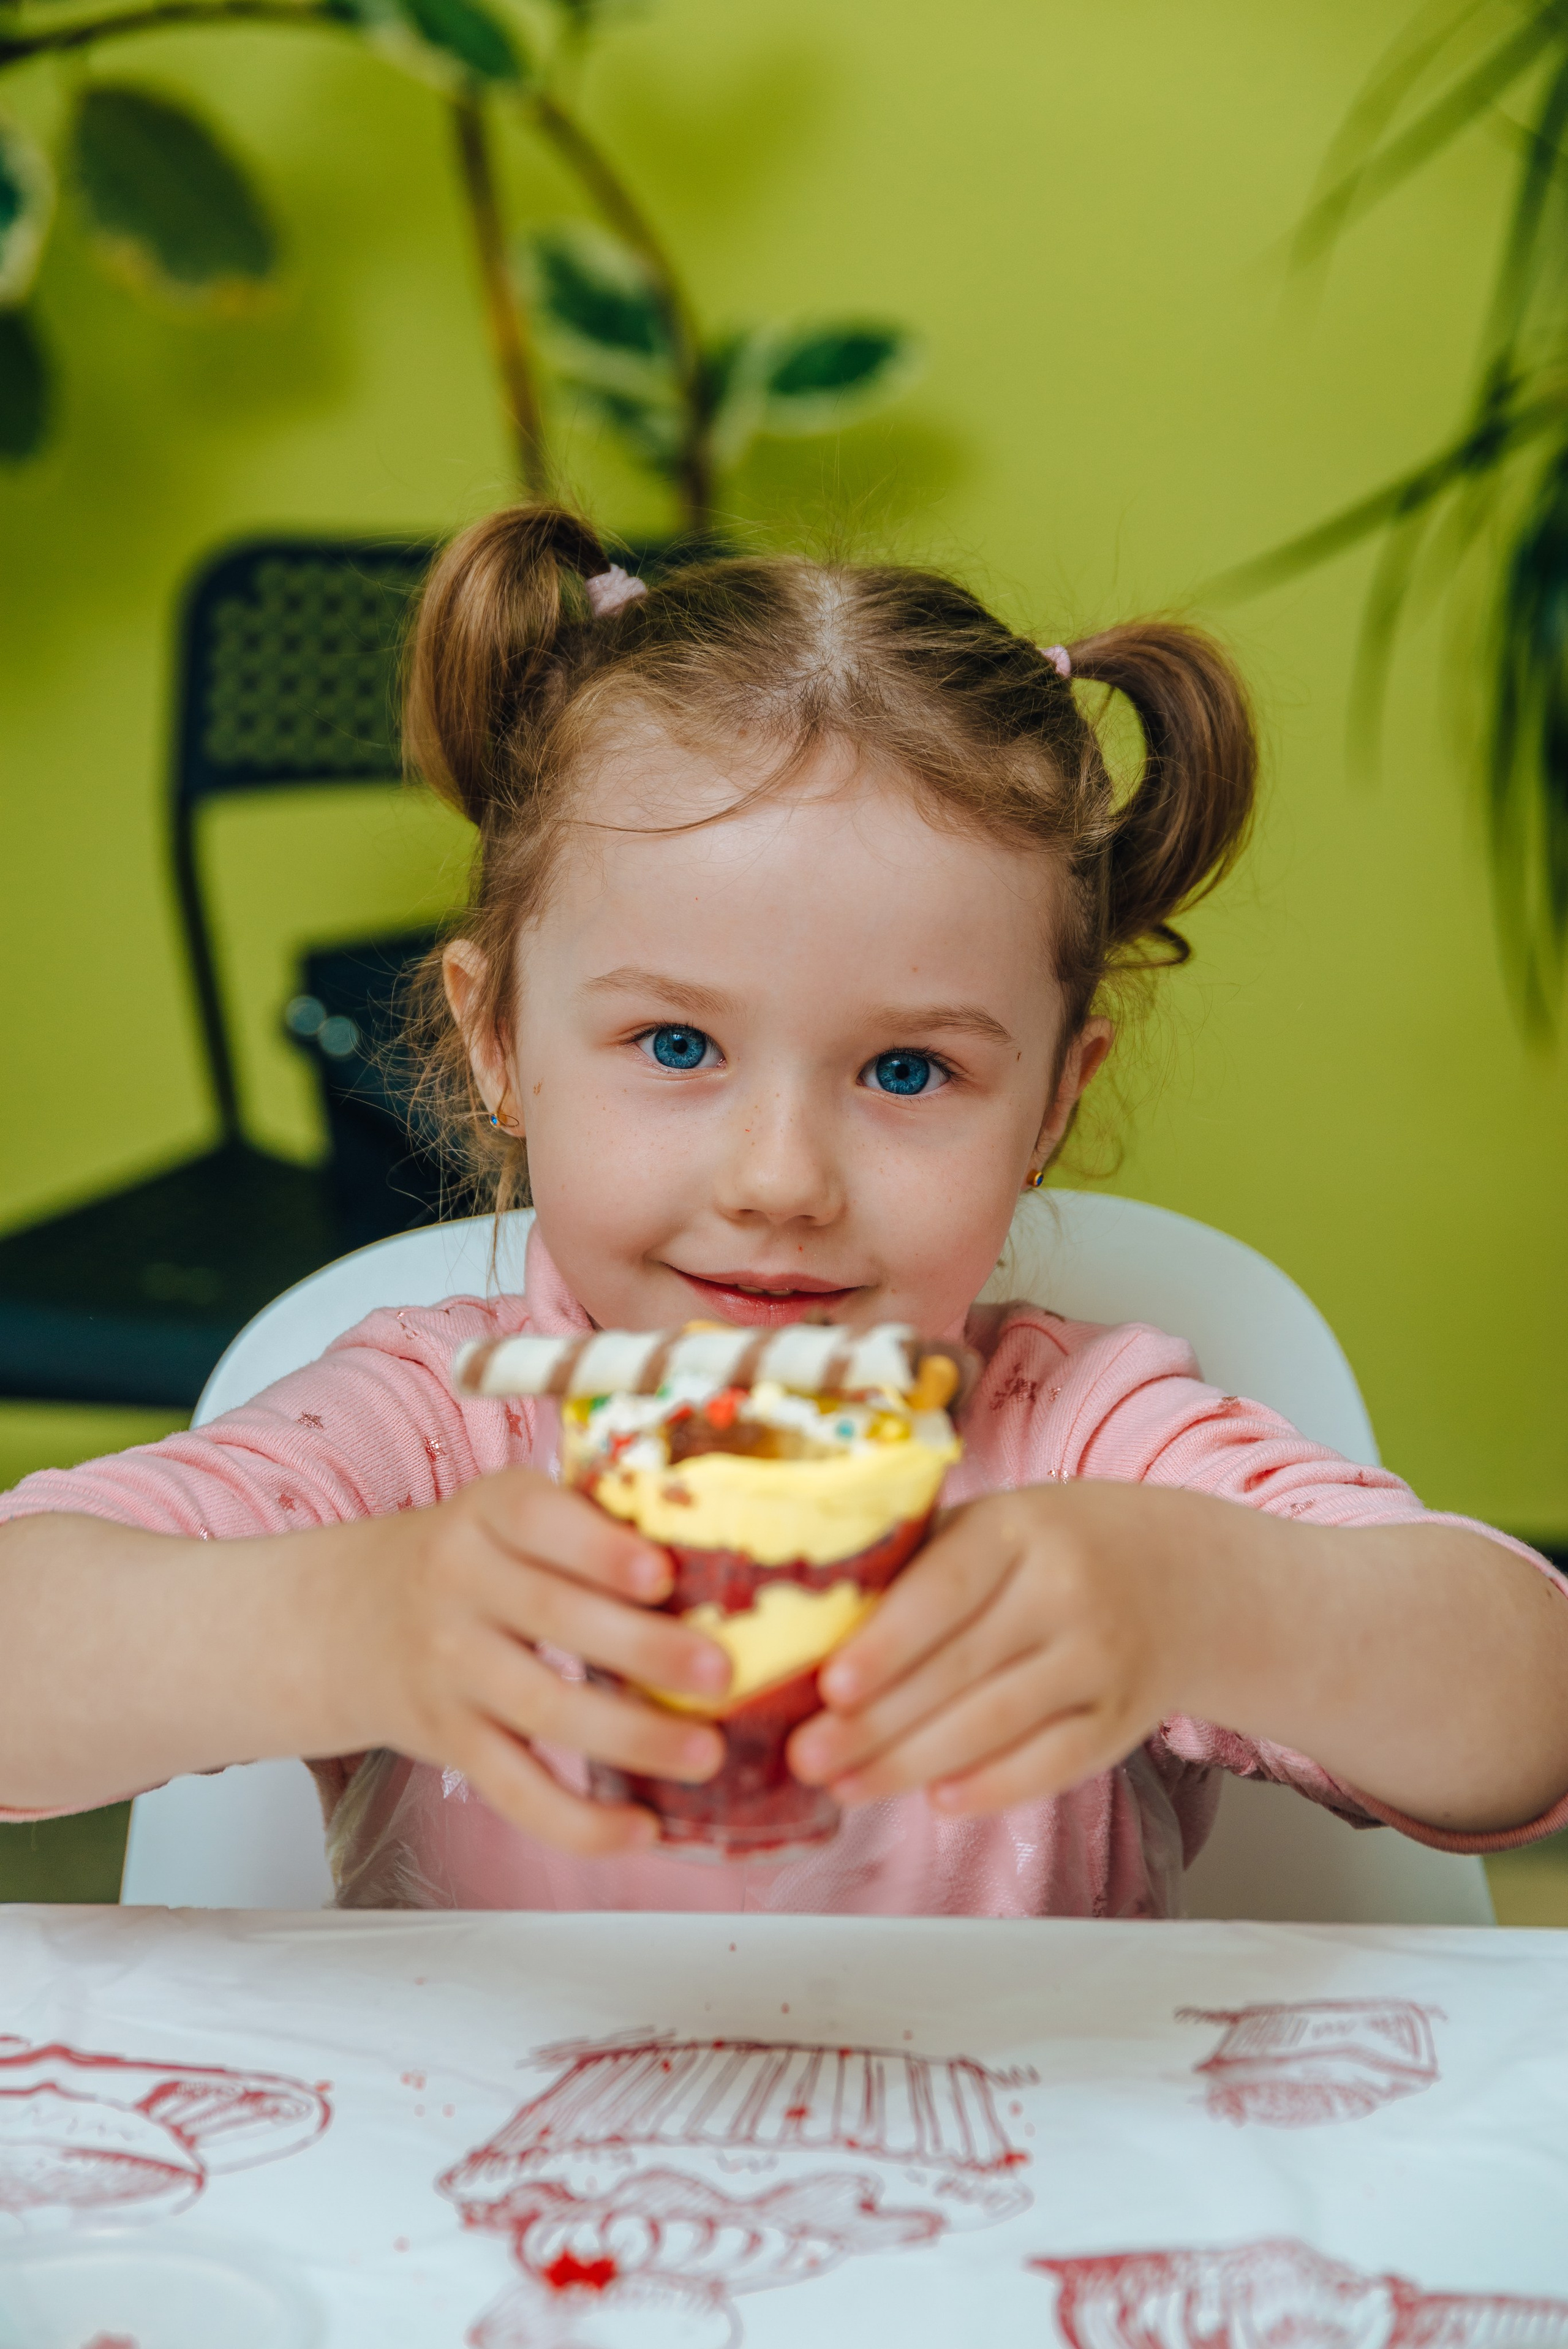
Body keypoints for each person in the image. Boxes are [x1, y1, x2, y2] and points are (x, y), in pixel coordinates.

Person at [3, 506, 1566, 1916]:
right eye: (674, 1045)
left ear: (1050, 1104)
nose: (779, 1181)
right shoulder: (432, 1434)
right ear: (497, 1045)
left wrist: (1199, 1600)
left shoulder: (1078, 1441)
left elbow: (1525, 1711)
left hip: (1019, 2219)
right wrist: (351, 1619)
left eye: (906, 1068)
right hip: (479, 2227)